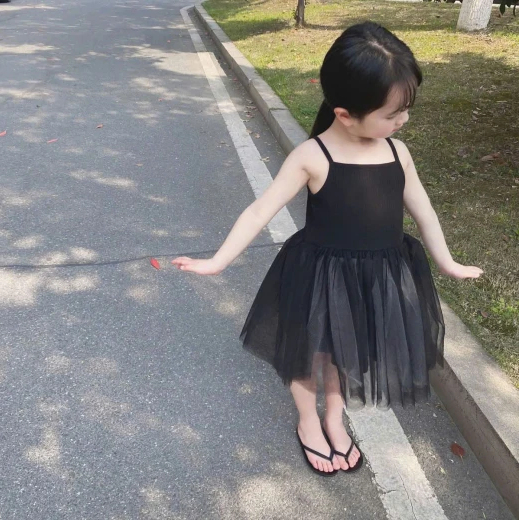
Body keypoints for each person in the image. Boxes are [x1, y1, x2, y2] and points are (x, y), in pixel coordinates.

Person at [172, 21, 483, 477]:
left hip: (377, 276)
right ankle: (308, 420)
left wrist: (447, 262)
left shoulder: (398, 153)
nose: (402, 121)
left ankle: (334, 418)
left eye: (406, 110)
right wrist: (217, 261)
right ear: (344, 114)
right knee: (310, 355)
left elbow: (424, 211)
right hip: (320, 275)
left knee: (346, 354)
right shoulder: (313, 157)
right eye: (392, 114)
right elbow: (259, 212)